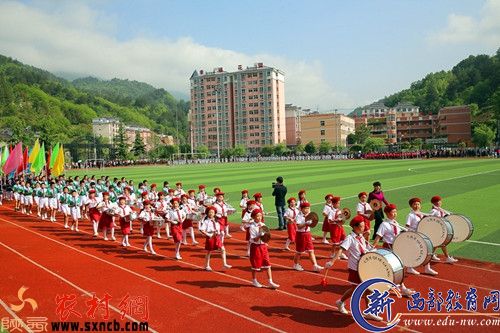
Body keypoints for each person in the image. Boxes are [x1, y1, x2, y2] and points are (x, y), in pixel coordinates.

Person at [326, 215, 383, 321]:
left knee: (368, 289)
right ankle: (341, 302)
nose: (365, 227)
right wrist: (332, 261)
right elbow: (341, 249)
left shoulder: (361, 237)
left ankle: (368, 311)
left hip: (364, 266)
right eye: (362, 225)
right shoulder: (350, 238)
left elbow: (364, 249)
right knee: (356, 289)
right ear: (356, 227)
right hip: (355, 268)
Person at [372, 203, 416, 297]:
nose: (395, 213)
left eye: (396, 211)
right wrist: (372, 248)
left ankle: (397, 286)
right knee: (394, 269)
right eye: (393, 212)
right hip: (388, 248)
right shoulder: (384, 224)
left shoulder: (395, 223)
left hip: (397, 247)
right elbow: (378, 237)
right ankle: (401, 287)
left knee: (399, 268)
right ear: (387, 213)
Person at [405, 197, 438, 275]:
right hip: (414, 236)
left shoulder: (422, 214)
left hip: (422, 235)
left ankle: (427, 268)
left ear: (420, 205)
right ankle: (410, 268)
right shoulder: (410, 215)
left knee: (427, 251)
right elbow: (407, 227)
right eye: (415, 204)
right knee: (414, 252)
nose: (417, 206)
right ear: (411, 206)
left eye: (418, 204)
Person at [248, 209, 279, 289]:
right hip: (256, 247)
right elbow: (254, 239)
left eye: (260, 216)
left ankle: (270, 281)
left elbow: (267, 236)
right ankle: (254, 280)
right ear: (253, 217)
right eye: (257, 216)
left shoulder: (263, 224)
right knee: (255, 266)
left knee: (268, 264)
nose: (259, 217)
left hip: (263, 247)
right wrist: (259, 235)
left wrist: (265, 239)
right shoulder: (252, 227)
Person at [199, 206, 231, 271]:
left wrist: (219, 232)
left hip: (217, 237)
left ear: (215, 213)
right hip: (210, 237)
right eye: (210, 212)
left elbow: (218, 227)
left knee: (223, 249)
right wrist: (208, 234)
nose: (211, 213)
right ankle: (207, 265)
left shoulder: (216, 220)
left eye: (212, 212)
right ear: (207, 213)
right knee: (209, 252)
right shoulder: (206, 221)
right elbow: (201, 229)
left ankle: (225, 264)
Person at [293, 202, 323, 272]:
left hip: (307, 234)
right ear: (301, 209)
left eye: (308, 208)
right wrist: (305, 223)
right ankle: (295, 264)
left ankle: (315, 265)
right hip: (300, 235)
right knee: (299, 252)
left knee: (311, 250)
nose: (307, 210)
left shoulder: (309, 215)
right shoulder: (299, 216)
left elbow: (313, 224)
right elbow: (299, 227)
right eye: (306, 208)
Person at [429, 195, 458, 263]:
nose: (439, 202)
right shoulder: (433, 210)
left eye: (439, 201)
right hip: (437, 230)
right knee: (442, 244)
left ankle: (431, 255)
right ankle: (447, 257)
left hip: (441, 229)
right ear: (434, 203)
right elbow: (429, 218)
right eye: (437, 201)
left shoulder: (440, 209)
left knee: (438, 244)